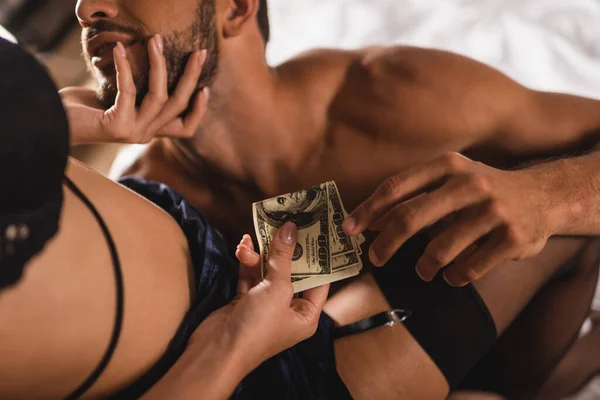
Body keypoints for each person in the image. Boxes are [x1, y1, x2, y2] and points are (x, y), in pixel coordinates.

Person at [61, 0, 600, 398]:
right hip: (350, 359)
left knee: (554, 192)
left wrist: (547, 196)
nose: (86, 8)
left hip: (508, 350)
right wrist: (55, 122)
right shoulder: (151, 202)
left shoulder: (396, 94)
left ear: (235, 8)